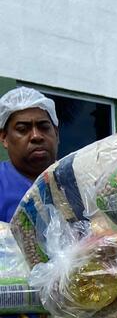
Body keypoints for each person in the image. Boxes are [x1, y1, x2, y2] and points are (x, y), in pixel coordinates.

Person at [0, 87, 59, 223]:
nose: (36, 136)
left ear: (56, 133)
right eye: (22, 129)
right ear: (4, 138)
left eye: (44, 127)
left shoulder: (76, 182)